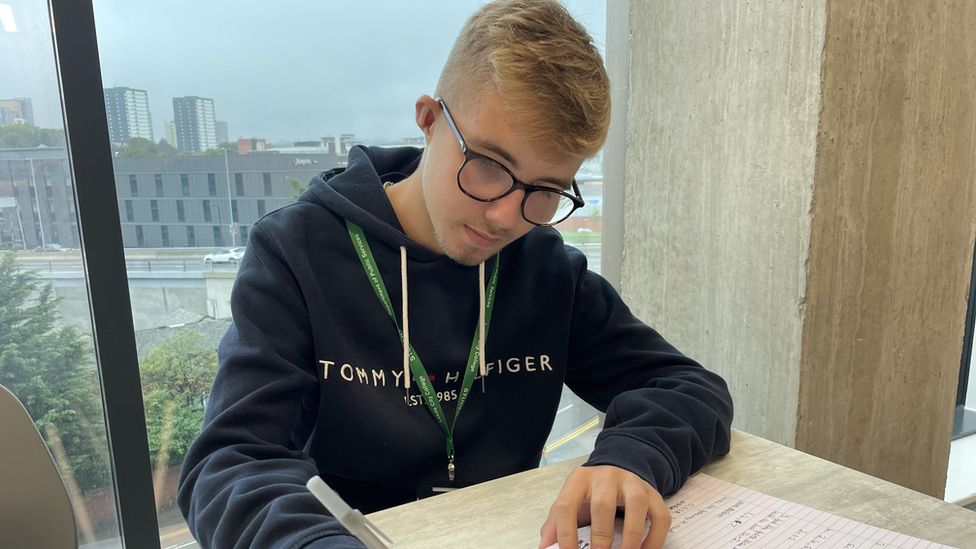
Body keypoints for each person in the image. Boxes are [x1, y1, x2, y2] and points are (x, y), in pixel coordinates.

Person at [177, 1, 733, 548]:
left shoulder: (546, 271)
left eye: (543, 191)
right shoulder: (296, 252)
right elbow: (228, 463)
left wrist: (632, 458)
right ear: (429, 119)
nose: (504, 216)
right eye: (489, 166)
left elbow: (690, 388)